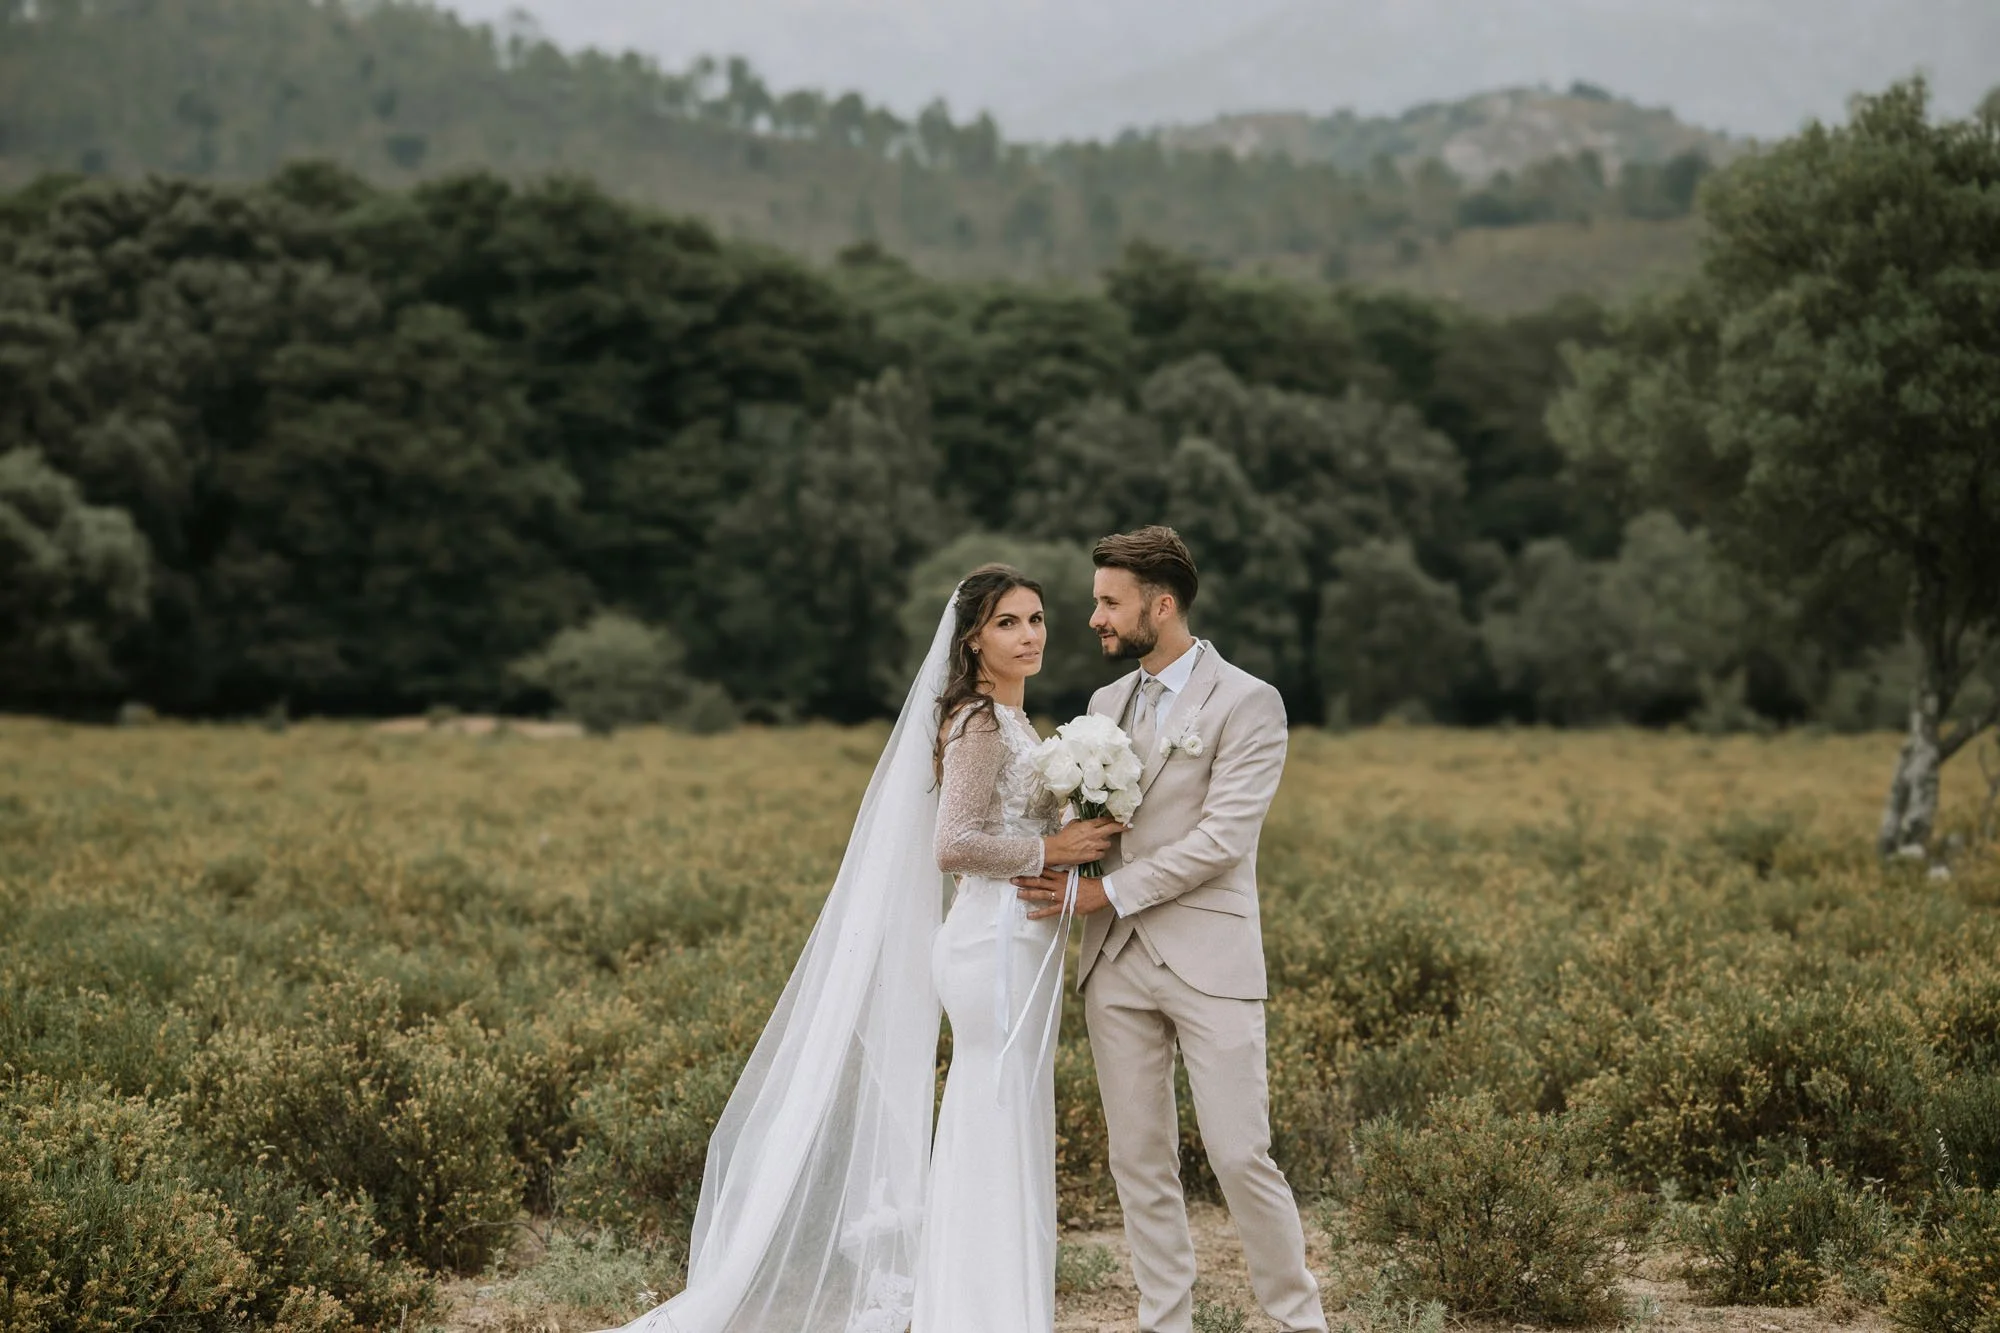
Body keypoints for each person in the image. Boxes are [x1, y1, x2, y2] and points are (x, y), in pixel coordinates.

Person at [600, 564, 1116, 1333]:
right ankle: (979, 1312)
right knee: (990, 1113)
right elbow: (954, 844)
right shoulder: (976, 721)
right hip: (990, 946)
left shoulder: (1014, 721)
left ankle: (994, 1302)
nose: (1030, 634)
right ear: (972, 637)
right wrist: (1054, 848)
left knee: (1007, 1115)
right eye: (1009, 621)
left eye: (1037, 618)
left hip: (1019, 940)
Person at [1013, 526, 1327, 1333]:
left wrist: (1105, 894)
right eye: (1095, 603)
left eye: (1109, 603)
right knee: (1138, 1161)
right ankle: (1165, 1323)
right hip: (1114, 966)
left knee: (1239, 1155)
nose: (1094, 620)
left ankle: (1299, 1320)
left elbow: (1223, 839)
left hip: (1208, 958)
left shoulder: (1249, 701)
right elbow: (1092, 823)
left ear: (1161, 604)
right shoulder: (1102, 707)